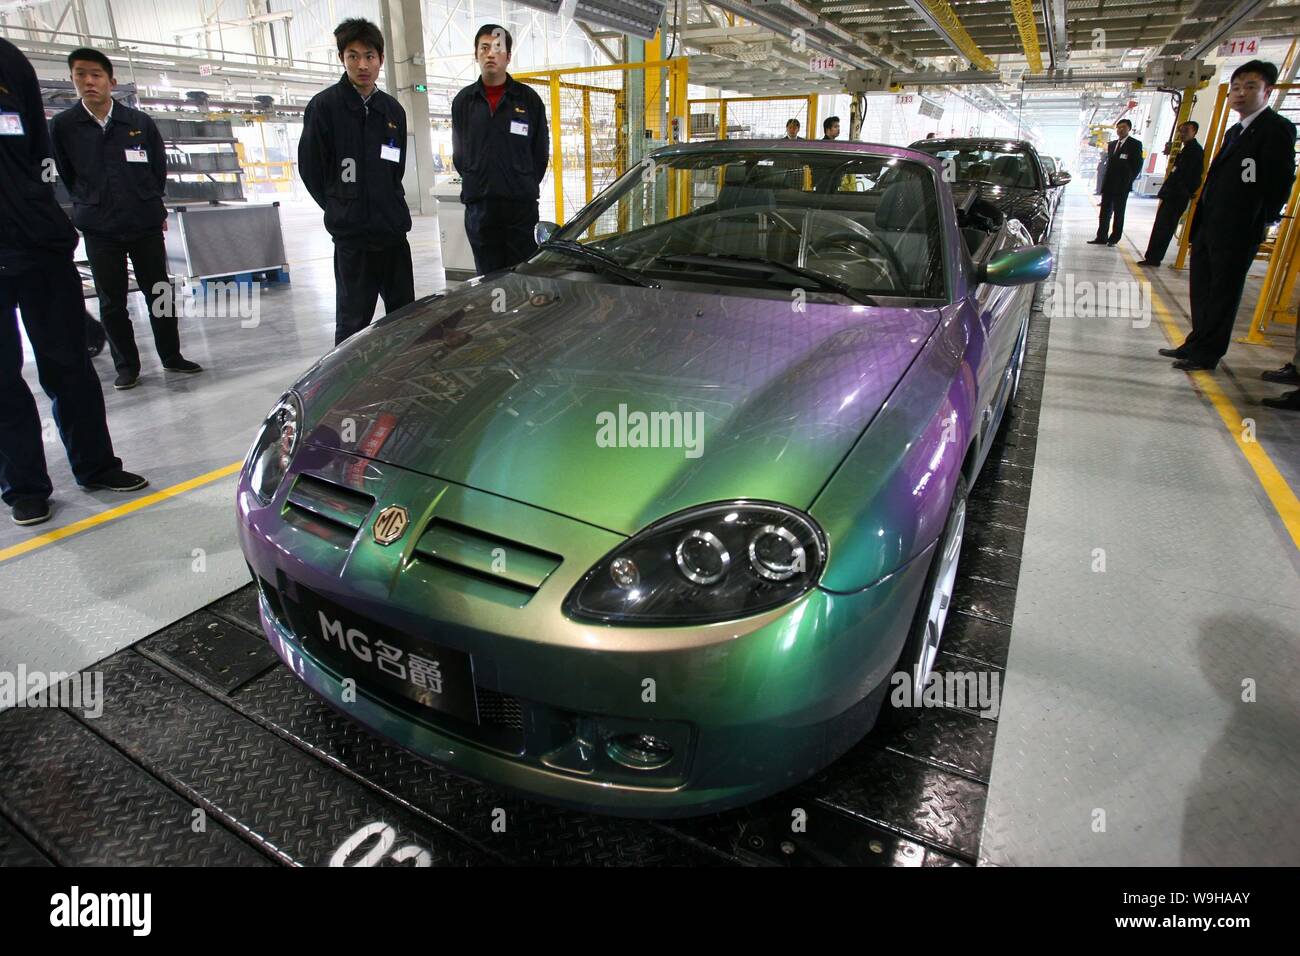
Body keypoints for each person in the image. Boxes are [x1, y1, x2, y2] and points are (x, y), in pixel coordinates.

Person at [0, 38, 147, 527]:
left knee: (70, 368)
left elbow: (41, 153)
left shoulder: (8, 62)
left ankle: (97, 465)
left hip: (40, 247)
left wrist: (47, 219)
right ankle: (24, 486)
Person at [50, 48, 201, 389]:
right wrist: (91, 202)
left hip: (143, 222)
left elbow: (157, 169)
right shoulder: (64, 126)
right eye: (81, 75)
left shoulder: (137, 123)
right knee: (112, 301)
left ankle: (171, 356)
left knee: (159, 292)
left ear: (111, 82)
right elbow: (67, 174)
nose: (89, 82)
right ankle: (127, 366)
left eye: (96, 75)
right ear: (73, 80)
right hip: (100, 228)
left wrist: (146, 201)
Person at [1161, 60, 1298, 373]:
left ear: (1268, 91)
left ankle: (1208, 353)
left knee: (1223, 292)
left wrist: (1263, 220)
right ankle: (1196, 342)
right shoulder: (1236, 130)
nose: (1240, 93)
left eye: (1250, 87)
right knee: (1203, 287)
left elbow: (1279, 182)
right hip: (1211, 224)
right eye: (1236, 87)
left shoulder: (1275, 130)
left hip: (1239, 229)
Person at [299, 18, 414, 345]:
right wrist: (341, 204)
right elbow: (311, 168)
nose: (362, 65)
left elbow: (397, 168)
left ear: (380, 59)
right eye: (353, 56)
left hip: (392, 233)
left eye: (369, 56)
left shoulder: (392, 110)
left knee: (404, 317)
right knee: (352, 322)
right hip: (353, 239)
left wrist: (385, 204)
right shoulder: (325, 107)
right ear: (342, 59)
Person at [451, 24, 549, 277]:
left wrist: (518, 180)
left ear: (508, 56)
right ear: (476, 54)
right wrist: (478, 179)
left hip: (520, 208)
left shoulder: (528, 101)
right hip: (480, 208)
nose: (490, 54)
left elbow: (540, 154)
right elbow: (460, 155)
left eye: (498, 48)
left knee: (522, 277)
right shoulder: (464, 102)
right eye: (484, 48)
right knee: (488, 279)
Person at [1138, 121, 1204, 266]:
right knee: (1160, 226)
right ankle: (1152, 256)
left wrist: (1184, 191)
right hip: (1171, 195)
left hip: (1177, 197)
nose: (1182, 134)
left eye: (1186, 131)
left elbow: (1194, 176)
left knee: (1164, 228)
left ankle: (1154, 258)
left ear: (1194, 132)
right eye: (1180, 131)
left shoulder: (1195, 151)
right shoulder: (1186, 150)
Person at [1088, 119, 1143, 245]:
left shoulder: (1135, 144)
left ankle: (1114, 238)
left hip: (1122, 186)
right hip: (1109, 184)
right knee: (1104, 212)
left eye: (1123, 127)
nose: (1120, 130)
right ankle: (1101, 237)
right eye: (1118, 128)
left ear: (1129, 128)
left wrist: (1128, 181)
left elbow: (1137, 165)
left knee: (1119, 213)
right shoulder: (1112, 144)